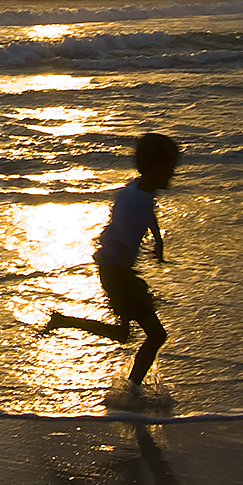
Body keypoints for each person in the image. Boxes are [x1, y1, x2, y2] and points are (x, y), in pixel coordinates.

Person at [43, 132, 180, 395]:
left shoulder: (139, 189)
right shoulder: (134, 200)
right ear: (156, 167)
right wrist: (137, 285)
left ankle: (63, 321)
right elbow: (124, 235)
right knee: (156, 335)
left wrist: (158, 240)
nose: (173, 175)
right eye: (170, 168)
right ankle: (132, 391)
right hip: (117, 272)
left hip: (114, 270)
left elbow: (148, 214)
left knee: (124, 334)